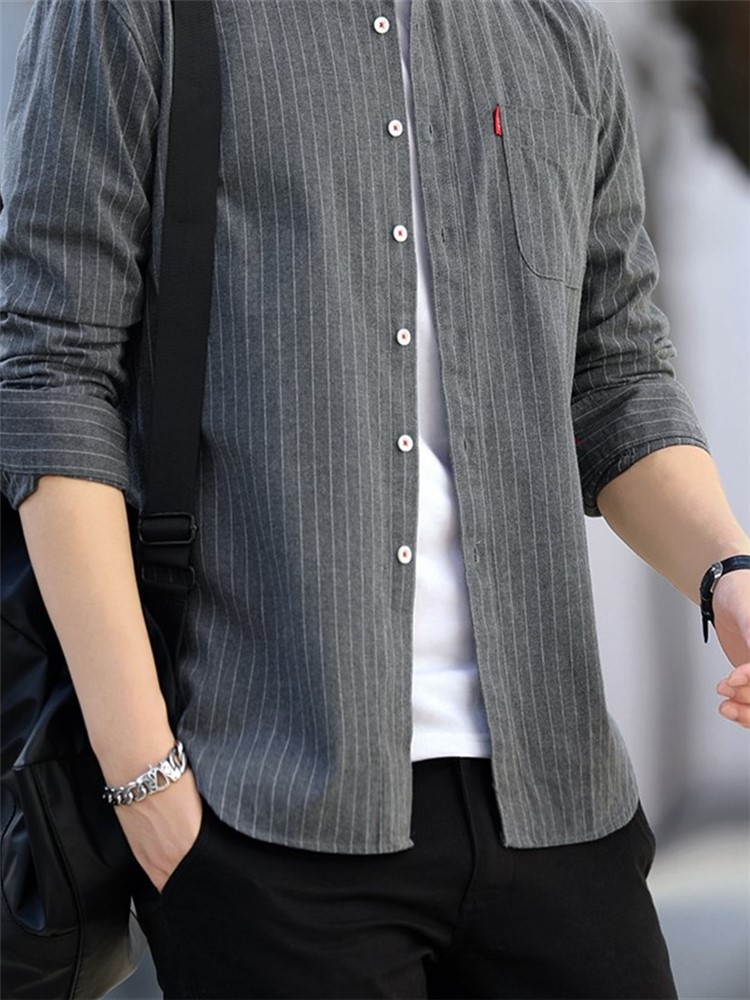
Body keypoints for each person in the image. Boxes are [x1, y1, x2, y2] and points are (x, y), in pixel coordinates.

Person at [1, 1, 748, 997]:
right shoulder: (136, 16)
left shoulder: (554, 31)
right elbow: (52, 373)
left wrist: (730, 576)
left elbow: (617, 377)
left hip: (560, 797)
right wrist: (142, 775)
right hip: (263, 804)